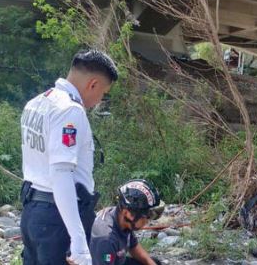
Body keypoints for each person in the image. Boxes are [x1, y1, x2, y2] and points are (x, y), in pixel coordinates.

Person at [20, 49, 119, 265]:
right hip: (58, 219)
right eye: (103, 93)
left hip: (33, 212)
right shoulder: (69, 111)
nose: (100, 100)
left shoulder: (37, 103)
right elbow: (61, 173)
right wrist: (79, 240)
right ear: (92, 84)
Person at [90, 179, 165, 265]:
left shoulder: (122, 219)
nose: (148, 221)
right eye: (147, 216)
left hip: (116, 259)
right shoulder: (106, 239)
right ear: (128, 213)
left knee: (154, 262)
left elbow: (133, 246)